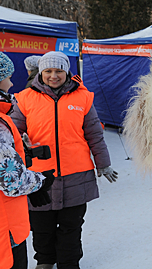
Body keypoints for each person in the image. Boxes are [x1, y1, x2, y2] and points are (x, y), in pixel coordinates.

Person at [11, 51, 118, 269]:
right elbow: (11, 134)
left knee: (72, 225)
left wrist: (103, 163)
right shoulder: (24, 98)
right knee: (42, 225)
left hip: (77, 175)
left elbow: (94, 134)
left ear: (67, 71)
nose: (53, 76)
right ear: (40, 72)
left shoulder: (83, 97)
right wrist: (22, 142)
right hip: (40, 177)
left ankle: (69, 263)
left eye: (59, 71)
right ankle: (45, 261)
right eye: (48, 71)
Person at [0, 52, 55, 269]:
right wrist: (41, 181)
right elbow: (11, 181)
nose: (11, 82)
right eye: (7, 76)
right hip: (6, 229)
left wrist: (22, 152)